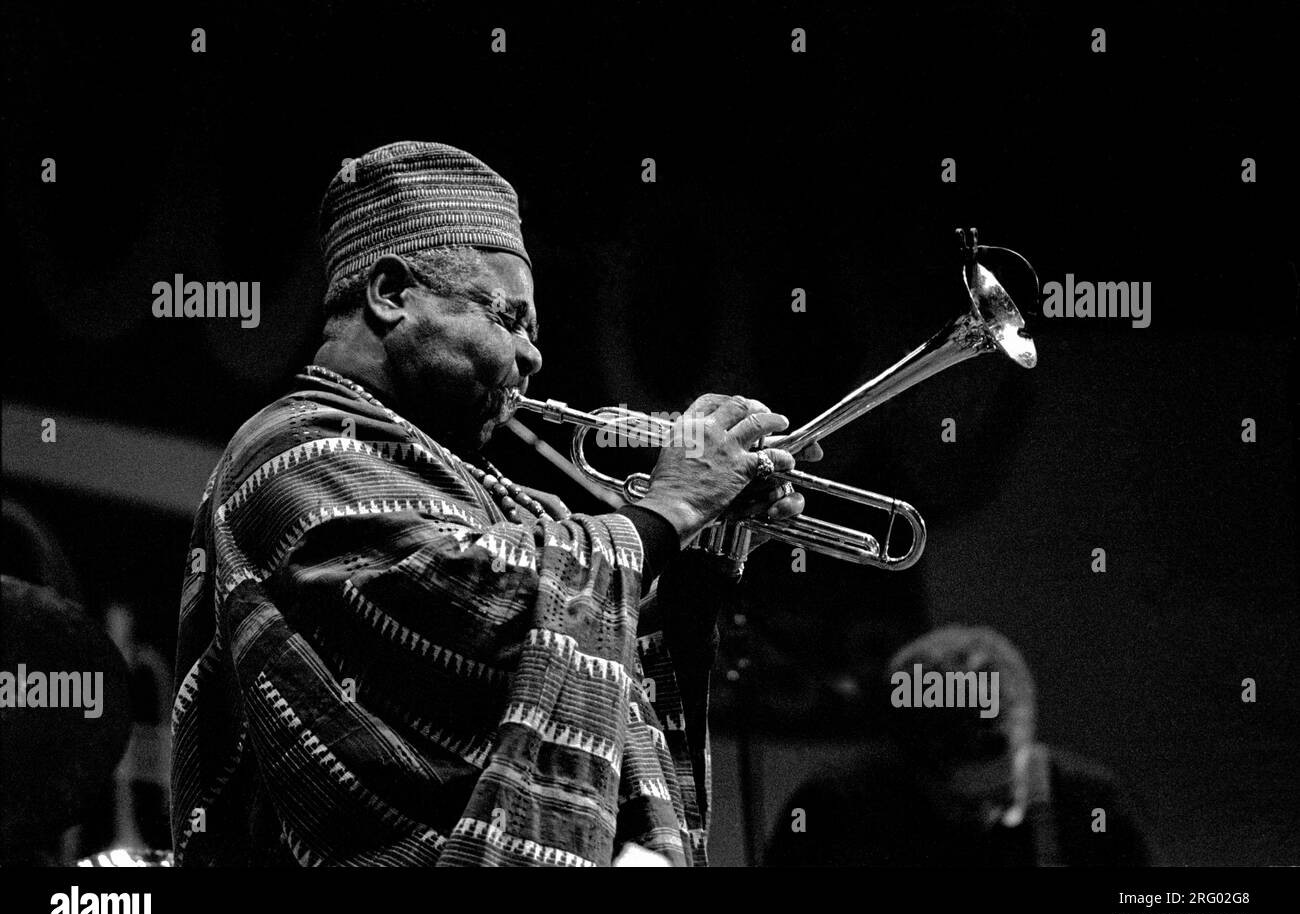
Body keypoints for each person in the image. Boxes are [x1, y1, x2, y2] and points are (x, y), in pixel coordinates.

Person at [169, 140, 818, 867]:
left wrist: (693, 565)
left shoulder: (494, 495)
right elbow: (472, 605)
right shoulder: (294, 447)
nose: (534, 357)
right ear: (391, 294)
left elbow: (594, 667)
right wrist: (667, 509)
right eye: (508, 318)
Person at [766, 625, 1153, 866]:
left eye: (1004, 799)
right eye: (962, 805)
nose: (987, 818)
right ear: (906, 763)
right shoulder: (832, 811)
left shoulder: (1091, 803)